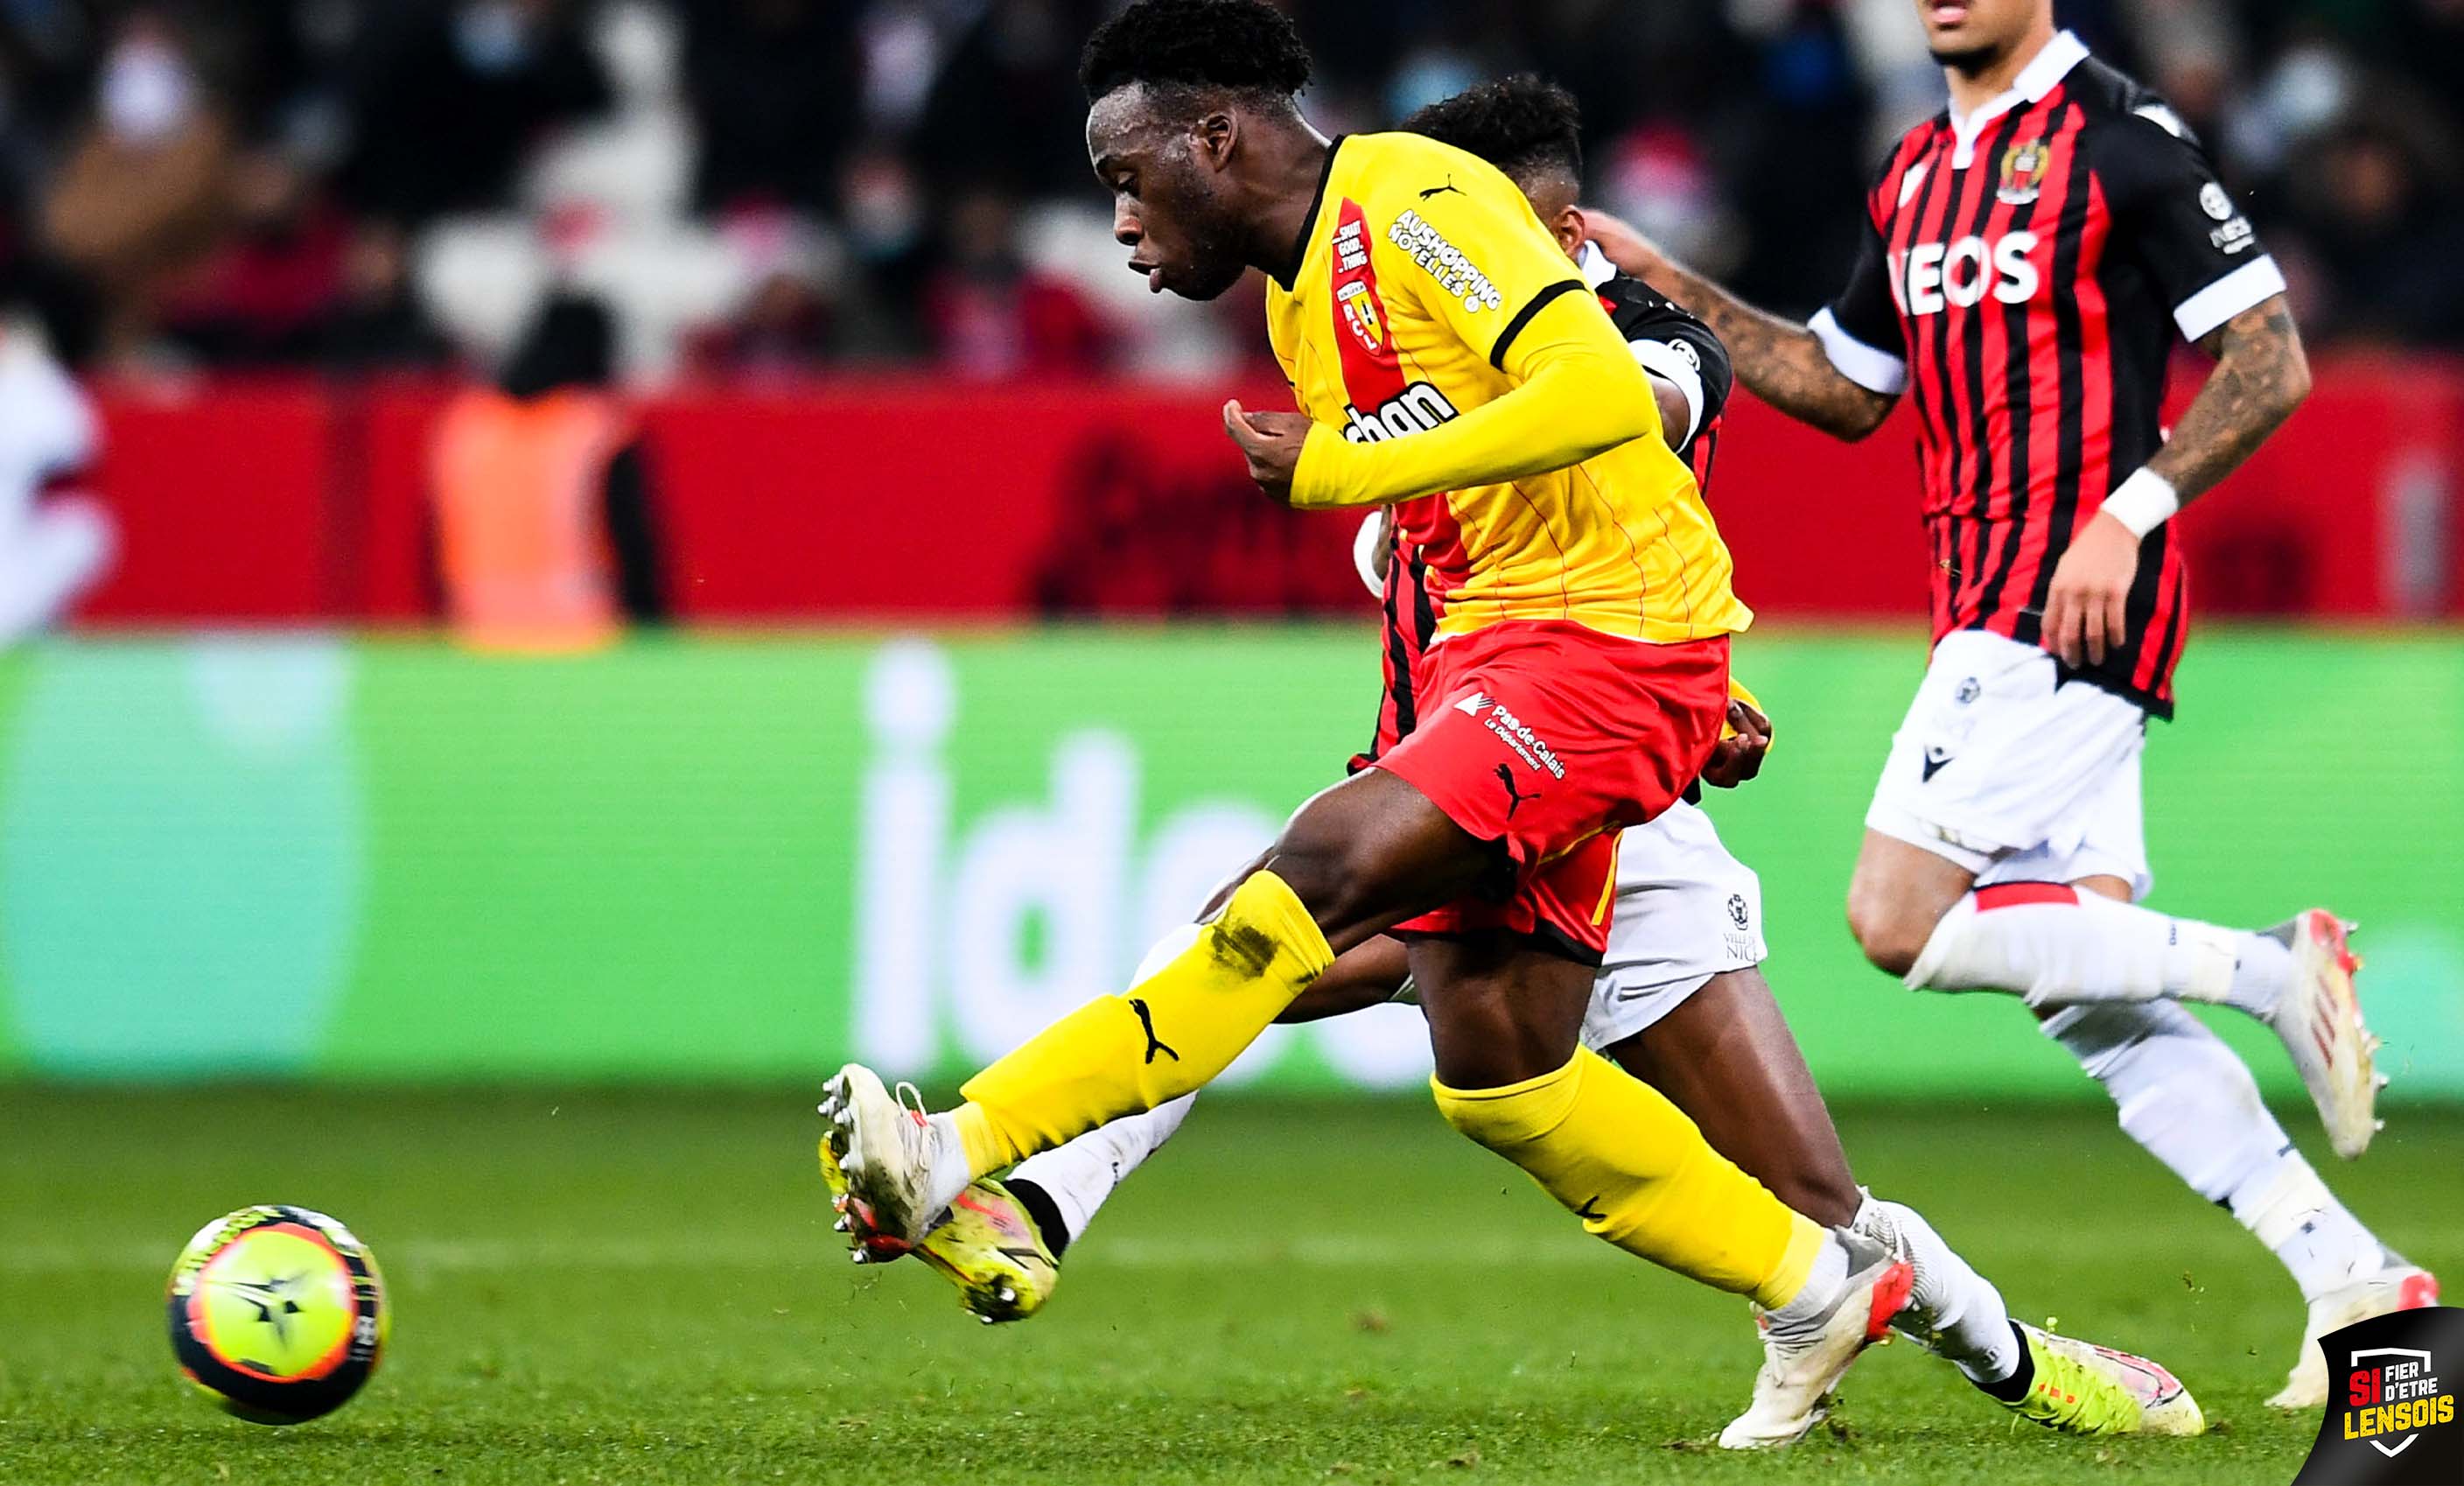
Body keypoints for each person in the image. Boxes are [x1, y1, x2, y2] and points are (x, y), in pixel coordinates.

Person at [823, 74, 2202, 1447]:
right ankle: (1025, 1192)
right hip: (1489, 749)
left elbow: (1634, 419)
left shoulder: (1636, 337)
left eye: (1531, 239)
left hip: (1614, 804)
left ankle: (2017, 1357)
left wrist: (1669, 664)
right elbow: (1464, 538)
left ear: (1562, 226)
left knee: (1813, 1195)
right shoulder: (1394, 333)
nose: (1506, 266)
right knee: (1277, 943)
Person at [1588, 0, 2437, 1412]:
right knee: (2089, 996)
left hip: (2068, 591)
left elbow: (2269, 358)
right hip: (1983, 594)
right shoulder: (1917, 170)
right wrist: (1663, 279)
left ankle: (2271, 966)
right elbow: (1843, 386)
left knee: (1893, 914)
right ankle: (2360, 1291)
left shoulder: (2126, 143)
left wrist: (2134, 509)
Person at [430, 293, 664, 650]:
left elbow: (434, 538)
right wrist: (654, 641)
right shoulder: (598, 429)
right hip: (583, 640)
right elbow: (636, 547)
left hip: (477, 636)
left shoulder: (466, 425)